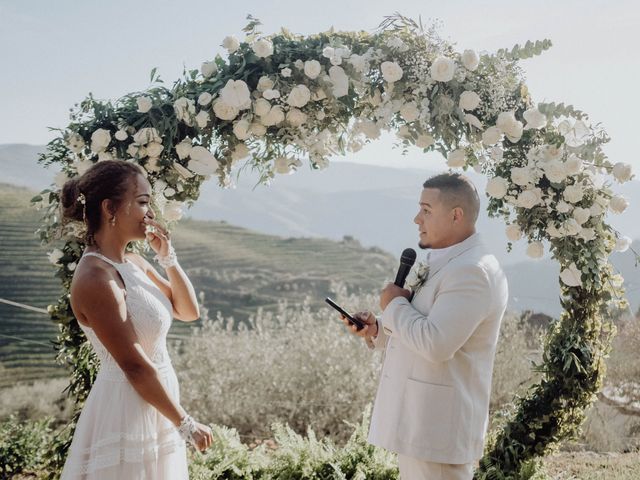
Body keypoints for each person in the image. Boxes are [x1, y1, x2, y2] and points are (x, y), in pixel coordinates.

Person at [343, 173, 508, 480]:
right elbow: (426, 324)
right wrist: (379, 329)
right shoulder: (448, 261)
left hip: (439, 430)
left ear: (456, 215)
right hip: (422, 426)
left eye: (426, 210)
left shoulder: (472, 271)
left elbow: (436, 344)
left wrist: (394, 305)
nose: (416, 218)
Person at [58, 160, 212, 479]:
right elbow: (134, 365)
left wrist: (167, 257)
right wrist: (185, 423)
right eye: (142, 202)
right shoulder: (96, 278)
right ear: (110, 208)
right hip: (127, 406)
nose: (150, 212)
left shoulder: (135, 263)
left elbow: (187, 311)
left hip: (158, 401)